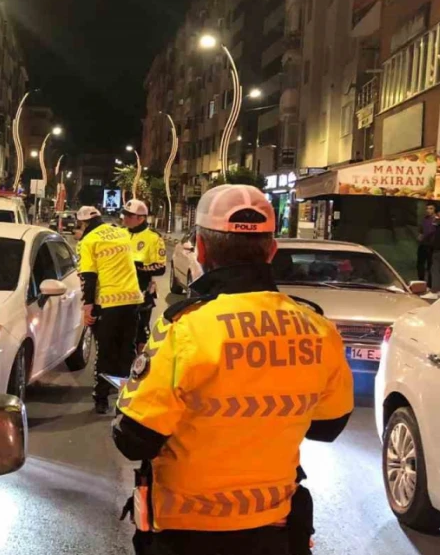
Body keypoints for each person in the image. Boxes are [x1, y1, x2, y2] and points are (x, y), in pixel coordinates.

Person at [111, 184, 354, 555]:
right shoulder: (317, 329)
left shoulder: (185, 328)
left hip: (186, 532)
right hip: (275, 530)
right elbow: (328, 426)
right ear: (271, 250)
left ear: (201, 249)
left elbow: (132, 438)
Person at [75, 205, 144, 414]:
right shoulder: (121, 233)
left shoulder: (89, 241)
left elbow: (88, 276)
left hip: (108, 302)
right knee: (126, 351)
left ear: (84, 223)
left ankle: (101, 399)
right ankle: (124, 399)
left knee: (105, 352)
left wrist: (88, 308)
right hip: (132, 300)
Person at [122, 199, 167, 350]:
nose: (125, 219)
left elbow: (161, 267)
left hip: (143, 290)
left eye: (129, 216)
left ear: (141, 218)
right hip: (120, 291)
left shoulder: (154, 238)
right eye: (124, 215)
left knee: (141, 329)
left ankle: (143, 361)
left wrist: (138, 267)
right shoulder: (121, 234)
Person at [416, 203, 436, 287]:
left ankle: (430, 284)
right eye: (427, 208)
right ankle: (421, 281)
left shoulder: (436, 220)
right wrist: (420, 236)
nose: (428, 210)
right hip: (423, 245)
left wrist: (424, 236)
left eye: (431, 208)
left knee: (430, 266)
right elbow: (421, 231)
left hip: (431, 245)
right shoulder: (425, 219)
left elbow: (432, 232)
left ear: (434, 210)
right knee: (420, 264)